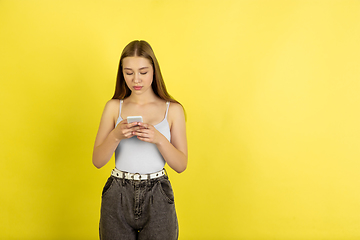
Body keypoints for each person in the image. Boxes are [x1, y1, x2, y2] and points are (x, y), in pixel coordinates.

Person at [92, 40, 187, 240]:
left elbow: (180, 165)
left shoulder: (173, 110)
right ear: (122, 73)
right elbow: (98, 161)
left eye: (143, 72)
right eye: (129, 72)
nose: (136, 79)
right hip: (117, 193)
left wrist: (159, 139)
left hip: (158, 194)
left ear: (154, 71)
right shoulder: (113, 107)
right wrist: (116, 135)